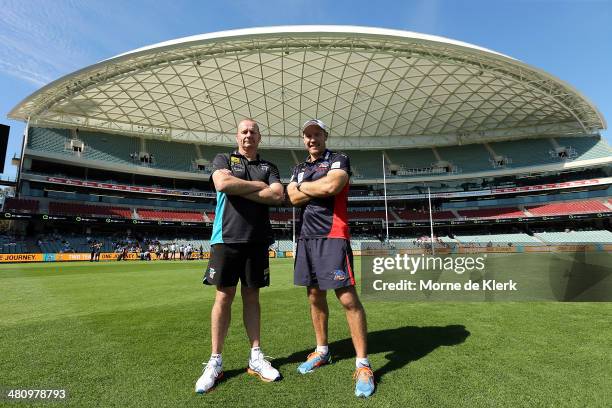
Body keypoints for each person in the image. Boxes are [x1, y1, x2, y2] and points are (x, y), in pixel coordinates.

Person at [287, 119, 375, 398]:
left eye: (316, 134)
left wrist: (305, 189)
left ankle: (363, 364)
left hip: (333, 235)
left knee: (347, 298)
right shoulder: (299, 168)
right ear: (303, 140)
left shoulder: (339, 159)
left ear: (325, 136)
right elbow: (290, 197)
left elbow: (331, 188)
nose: (312, 139)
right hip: (305, 238)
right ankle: (322, 350)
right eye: (307, 135)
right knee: (314, 296)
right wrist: (311, 187)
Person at [195, 119, 284, 394]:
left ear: (260, 137)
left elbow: (278, 195)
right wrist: (260, 187)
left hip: (256, 240)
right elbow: (222, 183)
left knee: (252, 297)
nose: (248, 135)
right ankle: (215, 361)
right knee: (223, 296)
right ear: (237, 136)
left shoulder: (270, 166)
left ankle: (256, 357)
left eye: (253, 132)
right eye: (244, 131)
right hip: (226, 237)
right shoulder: (224, 158)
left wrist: (242, 185)